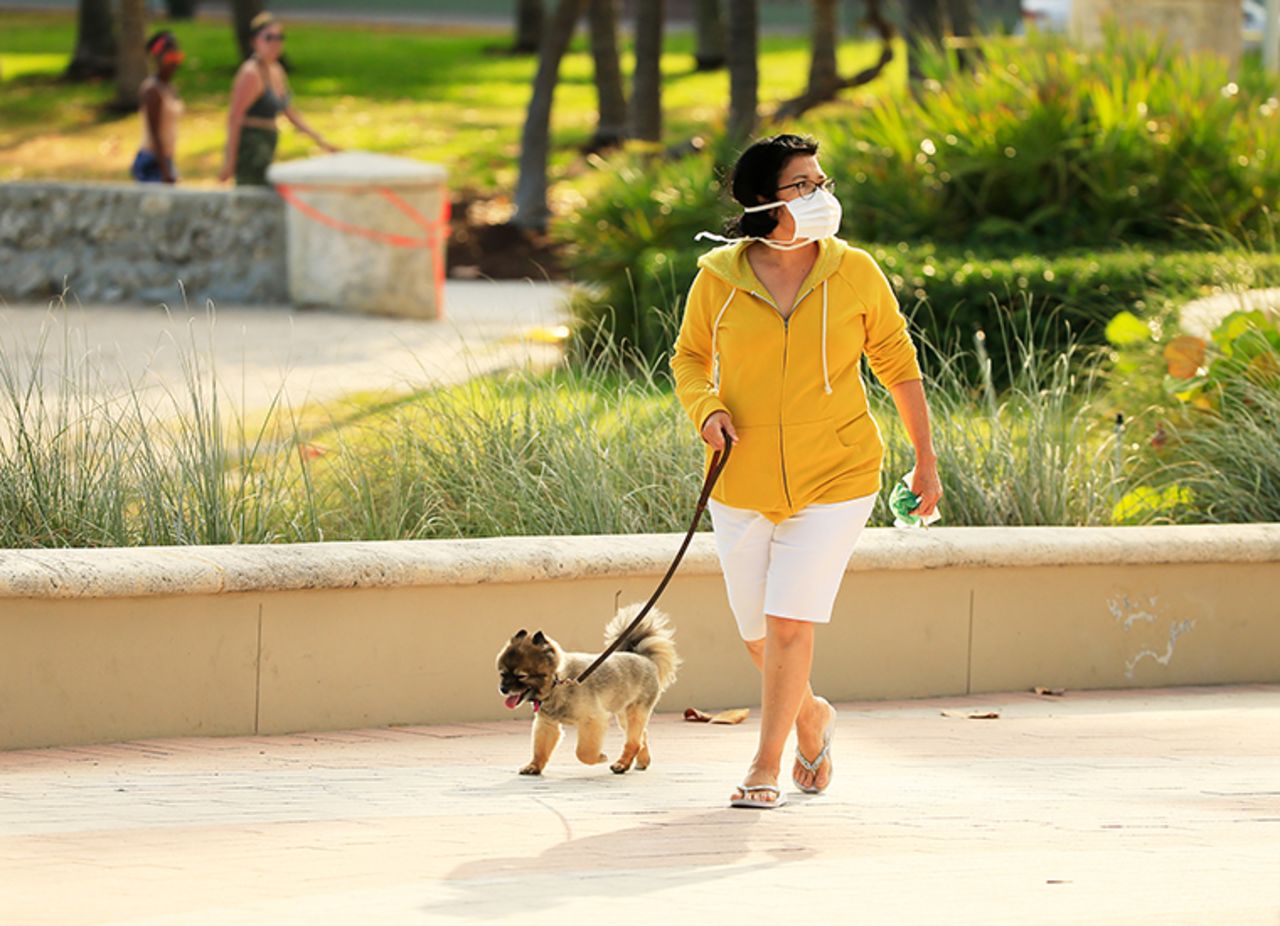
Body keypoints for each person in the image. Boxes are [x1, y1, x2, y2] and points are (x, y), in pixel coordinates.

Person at [671, 133, 942, 809]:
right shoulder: (718, 278)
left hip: (838, 474)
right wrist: (706, 411)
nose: (823, 195)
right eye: (805, 185)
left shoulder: (855, 272)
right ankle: (812, 715)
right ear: (766, 200)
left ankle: (765, 764)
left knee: (791, 625)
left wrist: (925, 459)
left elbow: (898, 365)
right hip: (741, 479)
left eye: (823, 182)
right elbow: (688, 359)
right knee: (758, 635)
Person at [218, 12, 337, 186]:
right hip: (251, 147)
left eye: (280, 37)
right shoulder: (250, 73)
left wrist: (320, 140)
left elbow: (289, 111)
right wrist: (229, 161)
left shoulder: (276, 70)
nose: (275, 43)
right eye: (269, 37)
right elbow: (235, 117)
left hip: (269, 143)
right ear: (254, 41)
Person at [131, 31, 185, 184]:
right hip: (153, 160)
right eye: (169, 58)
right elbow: (155, 134)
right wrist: (165, 172)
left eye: (177, 57)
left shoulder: (169, 88)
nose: (174, 63)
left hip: (166, 158)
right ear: (157, 58)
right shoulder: (152, 91)